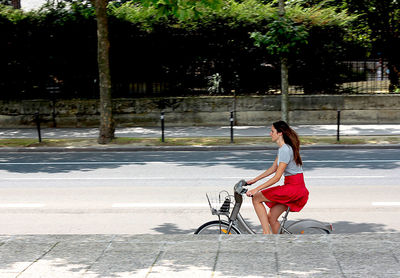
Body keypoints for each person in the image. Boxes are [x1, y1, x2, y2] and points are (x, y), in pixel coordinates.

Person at [246, 121, 309, 234]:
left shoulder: (285, 149)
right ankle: (279, 244)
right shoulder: (284, 148)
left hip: (293, 188)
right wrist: (254, 180)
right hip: (296, 188)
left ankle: (266, 233)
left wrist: (257, 189)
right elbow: (273, 168)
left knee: (256, 198)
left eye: (272, 131)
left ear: (280, 133)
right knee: (271, 217)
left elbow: (277, 177)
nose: (270, 133)